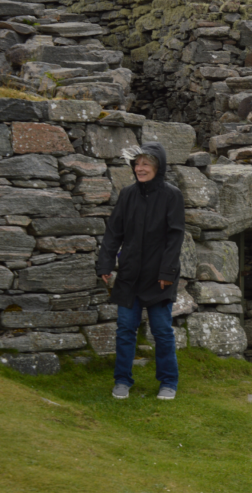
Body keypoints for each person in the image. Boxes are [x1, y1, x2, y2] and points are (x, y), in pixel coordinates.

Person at [96, 142, 185, 400]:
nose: (140, 168)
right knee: (125, 329)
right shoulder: (127, 194)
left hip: (159, 278)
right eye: (137, 163)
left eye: (146, 163)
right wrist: (105, 263)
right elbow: (114, 232)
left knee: (161, 331)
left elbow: (175, 237)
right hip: (129, 276)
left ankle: (169, 382)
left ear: (158, 166)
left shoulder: (172, 195)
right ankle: (122, 381)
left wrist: (167, 273)